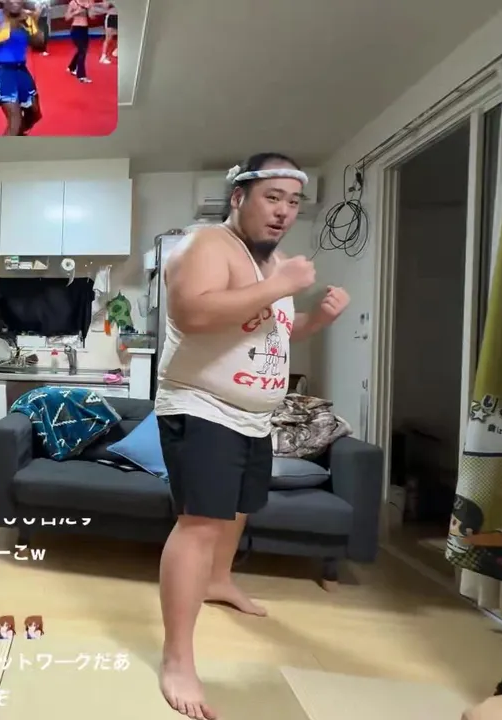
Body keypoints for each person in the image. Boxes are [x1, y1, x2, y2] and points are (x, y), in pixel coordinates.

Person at [154, 153, 350, 719]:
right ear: (239, 197)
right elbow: (193, 314)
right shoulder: (207, 245)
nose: (284, 210)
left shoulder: (276, 263)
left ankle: (218, 580)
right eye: (273, 197)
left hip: (252, 414)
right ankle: (177, 658)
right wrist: (281, 285)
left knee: (237, 511)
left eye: (293, 201)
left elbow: (271, 332)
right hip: (202, 404)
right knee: (200, 523)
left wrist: (317, 320)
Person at [0, 0, 47, 136]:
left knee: (35, 113)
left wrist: (31, 29)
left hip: (21, 69)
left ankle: (16, 138)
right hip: (2, 71)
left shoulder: (27, 18)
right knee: (15, 121)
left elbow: (40, 43)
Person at [64, 0, 94, 83]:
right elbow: (66, 17)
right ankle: (81, 76)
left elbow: (92, 17)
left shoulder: (89, 2)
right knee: (82, 51)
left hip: (85, 29)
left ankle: (72, 67)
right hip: (76, 29)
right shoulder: (73, 3)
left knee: (82, 50)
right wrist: (76, 12)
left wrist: (90, 9)